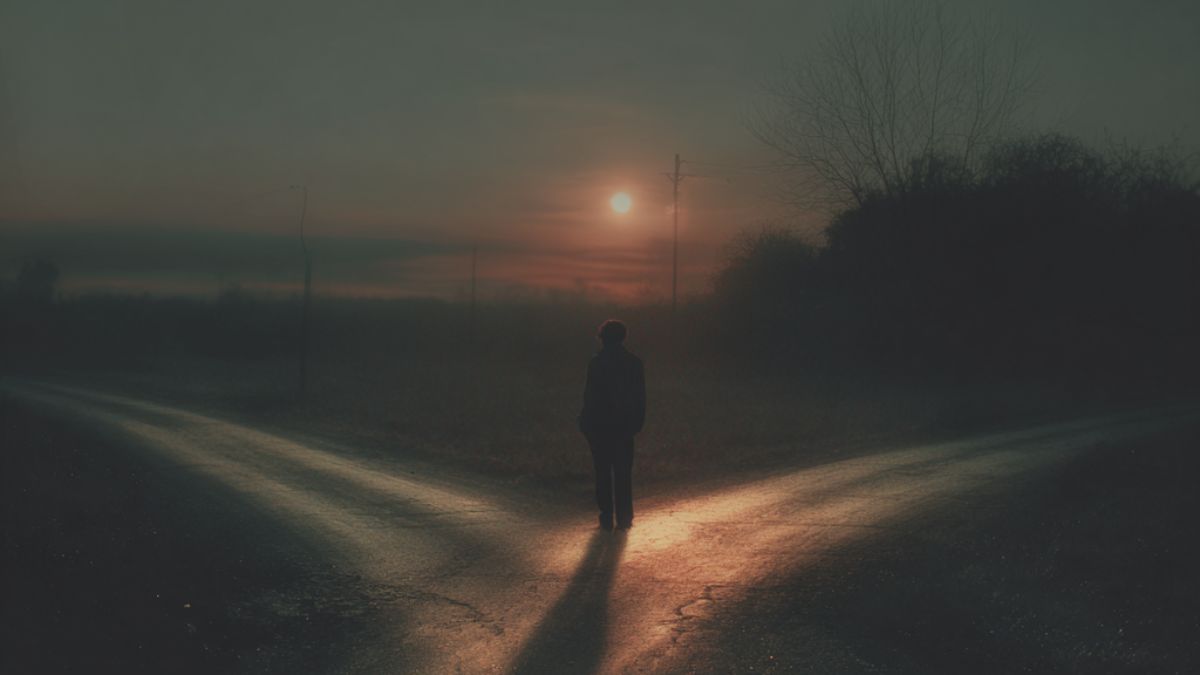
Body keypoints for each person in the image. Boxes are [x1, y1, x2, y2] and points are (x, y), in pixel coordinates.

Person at [578, 319, 646, 531]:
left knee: (602, 472)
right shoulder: (634, 363)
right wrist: (637, 423)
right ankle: (624, 517)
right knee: (623, 473)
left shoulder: (596, 363)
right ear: (623, 337)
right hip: (624, 426)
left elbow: (590, 396)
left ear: (603, 338)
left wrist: (585, 422)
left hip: (600, 425)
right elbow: (640, 397)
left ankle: (606, 515)